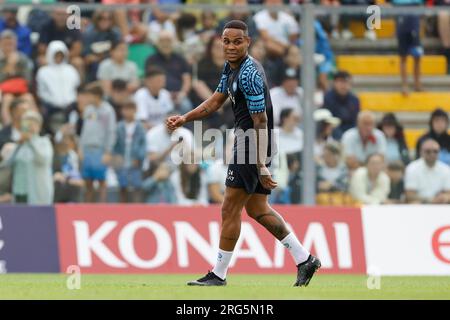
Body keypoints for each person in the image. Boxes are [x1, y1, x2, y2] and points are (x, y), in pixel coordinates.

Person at [166, 20, 320, 287]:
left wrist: (260, 163)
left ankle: (219, 274)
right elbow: (216, 100)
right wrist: (185, 118)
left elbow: (259, 122)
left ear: (247, 42)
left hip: (253, 144)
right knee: (257, 208)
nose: (231, 46)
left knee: (229, 208)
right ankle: (304, 258)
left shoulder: (250, 74)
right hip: (253, 142)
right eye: (226, 41)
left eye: (237, 41)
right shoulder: (231, 67)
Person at [6, 110, 54, 204]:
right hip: (20, 191)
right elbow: (7, 164)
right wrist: (18, 145)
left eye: (33, 123)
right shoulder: (19, 145)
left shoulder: (44, 142)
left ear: (39, 126)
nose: (30, 126)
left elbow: (43, 159)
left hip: (38, 191)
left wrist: (30, 140)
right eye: (27, 123)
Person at [79, 83, 117, 203]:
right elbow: (84, 130)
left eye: (89, 95)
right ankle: (88, 207)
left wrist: (108, 151)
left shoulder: (108, 111)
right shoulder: (88, 109)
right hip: (87, 149)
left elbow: (111, 131)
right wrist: (80, 148)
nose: (87, 98)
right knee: (88, 180)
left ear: (97, 96)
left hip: (100, 149)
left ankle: (101, 207)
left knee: (101, 180)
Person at [36, 40, 80, 135]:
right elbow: (42, 92)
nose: (58, 58)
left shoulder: (71, 70)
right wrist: (52, 102)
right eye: (56, 55)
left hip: (70, 106)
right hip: (51, 106)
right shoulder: (43, 71)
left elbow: (76, 87)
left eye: (61, 55)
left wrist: (70, 101)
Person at [145, 30, 192, 113]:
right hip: (159, 95)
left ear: (173, 42)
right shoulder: (151, 60)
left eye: (168, 41)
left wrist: (182, 94)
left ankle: (185, 126)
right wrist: (164, 95)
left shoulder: (180, 59)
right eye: (162, 41)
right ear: (157, 43)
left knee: (186, 106)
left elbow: (187, 80)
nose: (165, 44)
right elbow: (149, 80)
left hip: (178, 95)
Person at [112, 100, 146, 203]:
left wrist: (139, 157)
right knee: (122, 185)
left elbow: (143, 144)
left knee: (137, 185)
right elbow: (115, 143)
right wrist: (116, 156)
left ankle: (137, 207)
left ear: (135, 110)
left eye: (130, 109)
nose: (128, 112)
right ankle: (122, 207)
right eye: (125, 109)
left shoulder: (139, 127)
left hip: (134, 159)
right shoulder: (119, 127)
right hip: (122, 158)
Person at [0, 30, 34, 126]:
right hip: (2, 92)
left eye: (11, 44)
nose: (8, 47)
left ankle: (33, 129)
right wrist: (8, 68)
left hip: (20, 91)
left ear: (15, 44)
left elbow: (28, 80)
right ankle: (8, 131)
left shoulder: (23, 59)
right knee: (7, 100)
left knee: (29, 98)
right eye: (6, 44)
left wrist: (15, 69)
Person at [405, 139, 450, 204]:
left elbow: (448, 192)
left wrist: (445, 197)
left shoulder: (446, 169)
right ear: (421, 152)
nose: (432, 154)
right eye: (428, 151)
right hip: (420, 205)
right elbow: (409, 195)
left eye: (435, 151)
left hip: (440, 205)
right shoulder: (412, 168)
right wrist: (431, 200)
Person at [323, 71, 360, 140]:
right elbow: (327, 118)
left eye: (346, 82)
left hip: (350, 128)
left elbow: (355, 119)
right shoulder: (328, 97)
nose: (343, 85)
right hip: (333, 129)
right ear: (334, 83)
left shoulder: (354, 100)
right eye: (341, 82)